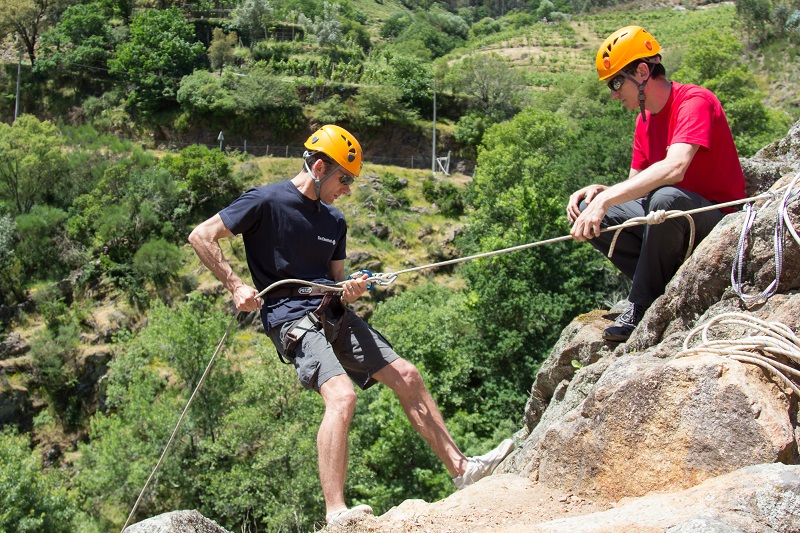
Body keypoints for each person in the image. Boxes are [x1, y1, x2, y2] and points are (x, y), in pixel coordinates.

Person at [189, 124, 514, 525]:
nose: (348, 189)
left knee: (408, 376)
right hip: (290, 317)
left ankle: (462, 469)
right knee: (342, 397)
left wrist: (352, 290)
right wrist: (236, 285)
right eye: (345, 178)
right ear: (321, 167)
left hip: (331, 311)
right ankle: (336, 513)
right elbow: (202, 235)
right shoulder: (266, 201)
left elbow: (337, 282)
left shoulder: (334, 221)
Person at [567, 26, 745, 342]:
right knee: (591, 210)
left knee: (666, 199)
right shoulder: (644, 121)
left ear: (643, 71)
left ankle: (642, 304)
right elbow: (636, 187)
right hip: (674, 218)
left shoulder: (694, 101)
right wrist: (599, 195)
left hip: (717, 221)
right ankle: (658, 285)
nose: (613, 93)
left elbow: (675, 167)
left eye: (616, 82)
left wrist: (606, 200)